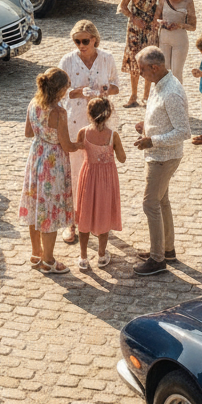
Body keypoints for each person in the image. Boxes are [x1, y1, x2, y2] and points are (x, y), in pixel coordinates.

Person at [59, 20, 120, 246]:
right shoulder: (67, 60)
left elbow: (116, 86)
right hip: (76, 121)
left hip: (101, 123)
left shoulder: (107, 58)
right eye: (77, 41)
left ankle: (98, 220)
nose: (81, 45)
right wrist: (77, 92)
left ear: (95, 38)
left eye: (85, 41)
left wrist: (105, 90)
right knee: (75, 171)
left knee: (101, 172)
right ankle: (72, 222)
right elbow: (60, 90)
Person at [132, 46, 190, 276]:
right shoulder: (159, 84)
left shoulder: (172, 92)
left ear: (155, 68)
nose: (140, 73)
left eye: (142, 69)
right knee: (161, 200)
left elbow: (183, 131)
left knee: (150, 204)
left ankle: (157, 260)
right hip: (158, 154)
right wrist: (145, 125)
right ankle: (167, 249)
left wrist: (152, 140)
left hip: (164, 158)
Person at [18, 68, 80, 274]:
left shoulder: (33, 104)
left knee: (35, 207)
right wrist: (82, 142)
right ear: (60, 90)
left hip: (36, 158)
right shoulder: (59, 112)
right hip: (53, 165)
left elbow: (28, 133)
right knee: (49, 212)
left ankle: (36, 254)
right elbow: (67, 146)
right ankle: (48, 260)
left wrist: (43, 136)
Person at [74, 97, 126, 271]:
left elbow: (78, 147)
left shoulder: (83, 132)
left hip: (88, 176)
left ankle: (83, 257)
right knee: (103, 213)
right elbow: (122, 158)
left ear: (88, 114)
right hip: (106, 180)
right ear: (108, 114)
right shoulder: (113, 135)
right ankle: (102, 255)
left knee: (85, 214)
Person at [119, 0, 162, 107]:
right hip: (134, 29)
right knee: (134, 61)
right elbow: (122, 6)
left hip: (150, 30)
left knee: (149, 62)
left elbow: (160, 6)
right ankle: (133, 95)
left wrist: (156, 20)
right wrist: (133, 18)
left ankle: (146, 96)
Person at [157, 0, 196, 83]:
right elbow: (155, 18)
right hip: (164, 38)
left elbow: (193, 26)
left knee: (176, 72)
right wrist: (162, 22)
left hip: (180, 40)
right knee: (163, 71)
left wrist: (180, 25)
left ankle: (177, 97)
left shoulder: (188, 2)